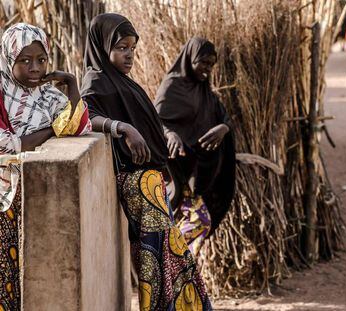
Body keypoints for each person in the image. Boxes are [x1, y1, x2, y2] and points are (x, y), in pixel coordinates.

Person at [81, 14, 212, 310]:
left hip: (151, 182)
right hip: (137, 184)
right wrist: (123, 128)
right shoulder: (96, 80)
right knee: (158, 257)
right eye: (122, 47)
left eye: (133, 48)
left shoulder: (123, 82)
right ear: (103, 47)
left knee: (166, 254)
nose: (129, 55)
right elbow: (84, 116)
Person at [0, 23, 91, 310]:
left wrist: (73, 86)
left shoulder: (50, 96)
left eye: (41, 60)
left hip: (37, 196)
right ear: (7, 59)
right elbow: (6, 144)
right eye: (24, 60)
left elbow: (78, 127)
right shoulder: (1, 94)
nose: (35, 67)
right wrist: (52, 130)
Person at [154, 37, 236, 256]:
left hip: (197, 171)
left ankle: (174, 269)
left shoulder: (203, 90)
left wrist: (223, 129)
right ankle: (169, 261)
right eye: (203, 63)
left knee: (196, 223)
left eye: (211, 64)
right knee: (199, 221)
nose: (207, 69)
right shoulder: (172, 85)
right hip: (177, 169)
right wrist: (170, 134)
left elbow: (225, 118)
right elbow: (154, 122)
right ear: (190, 59)